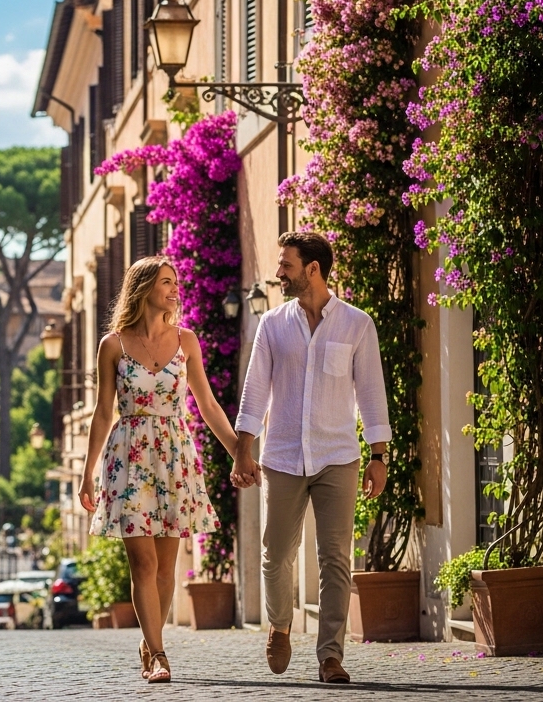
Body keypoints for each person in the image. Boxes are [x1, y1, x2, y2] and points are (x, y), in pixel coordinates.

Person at [230, 231, 392, 684]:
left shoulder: (357, 324)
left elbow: (371, 393)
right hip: (282, 456)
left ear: (313, 269)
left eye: (287, 265)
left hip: (338, 456)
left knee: (336, 557)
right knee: (276, 553)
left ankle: (330, 657)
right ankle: (280, 625)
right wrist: (243, 452)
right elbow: (255, 392)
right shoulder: (273, 324)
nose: (279, 273)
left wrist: (379, 455)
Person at [77, 256, 240, 684]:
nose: (174, 289)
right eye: (166, 282)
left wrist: (238, 451)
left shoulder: (187, 340)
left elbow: (207, 404)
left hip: (174, 455)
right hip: (129, 457)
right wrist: (87, 473)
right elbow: (103, 412)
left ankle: (150, 642)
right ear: (144, 287)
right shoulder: (113, 345)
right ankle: (160, 655)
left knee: (167, 567)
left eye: (176, 282)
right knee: (143, 562)